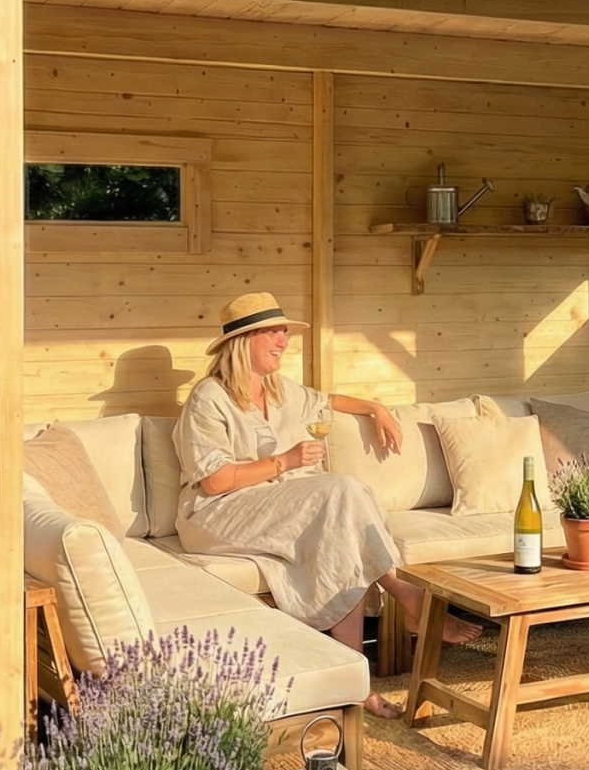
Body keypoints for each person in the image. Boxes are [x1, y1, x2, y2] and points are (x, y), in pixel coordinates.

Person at [175, 291, 478, 719]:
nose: (283, 341)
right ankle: (405, 593)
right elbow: (215, 481)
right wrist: (285, 461)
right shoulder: (208, 398)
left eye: (284, 332)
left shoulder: (280, 390)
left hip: (271, 506)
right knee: (339, 491)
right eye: (273, 333)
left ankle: (356, 683)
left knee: (339, 537)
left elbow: (327, 401)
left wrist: (375, 408)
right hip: (218, 512)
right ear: (244, 341)